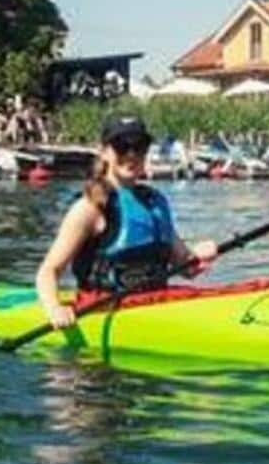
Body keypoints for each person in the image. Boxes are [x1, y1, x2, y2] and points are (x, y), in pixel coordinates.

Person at [34, 115, 220, 330]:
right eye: (122, 146)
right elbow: (48, 271)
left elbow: (185, 267)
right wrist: (54, 308)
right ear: (104, 152)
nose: (131, 155)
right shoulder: (89, 208)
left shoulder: (155, 203)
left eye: (139, 147)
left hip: (156, 304)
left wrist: (200, 257)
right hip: (104, 308)